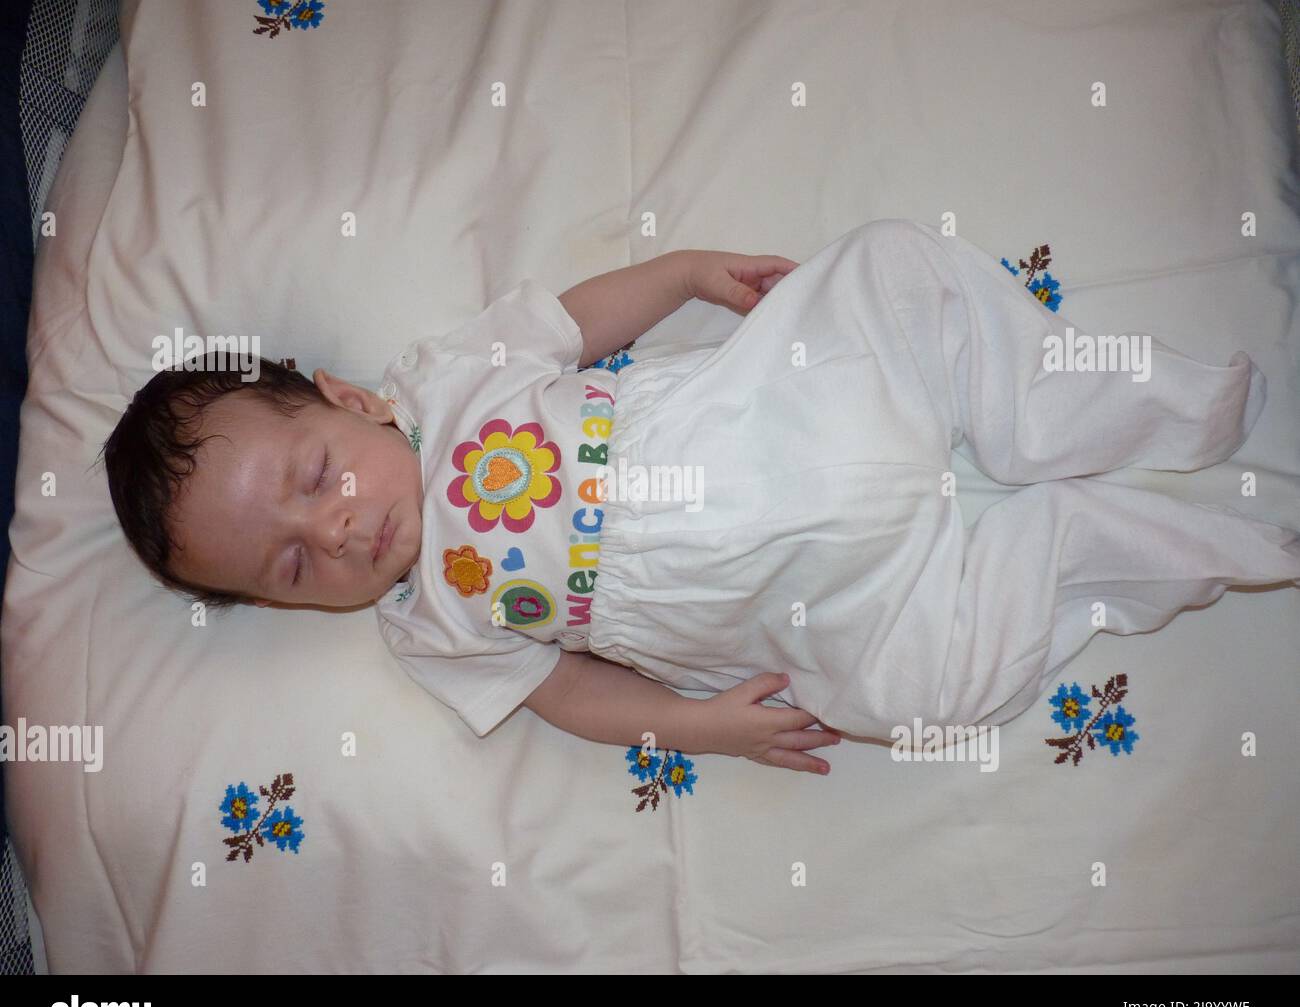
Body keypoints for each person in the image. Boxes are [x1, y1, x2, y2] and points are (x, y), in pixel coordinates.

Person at [100, 219, 1300, 776]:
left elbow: (569, 325)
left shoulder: (451, 380)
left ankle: (1114, 410)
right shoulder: (437, 630)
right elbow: (575, 695)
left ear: (347, 398)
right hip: (820, 611)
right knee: (932, 693)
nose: (339, 529)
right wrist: (706, 729)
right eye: (293, 565)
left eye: (315, 479)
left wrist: (683, 275)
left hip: (793, 411)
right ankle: (1116, 543)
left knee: (891, 273)